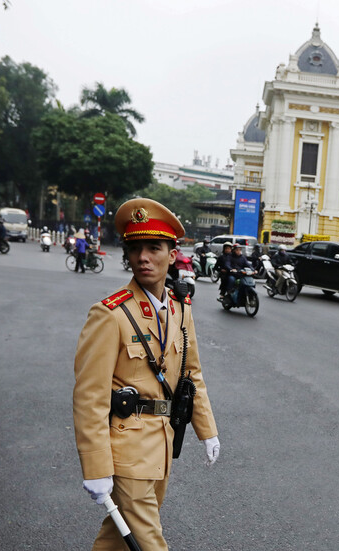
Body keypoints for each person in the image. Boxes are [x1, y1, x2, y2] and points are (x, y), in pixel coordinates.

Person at [73, 198, 220, 551]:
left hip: (161, 446)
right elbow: (89, 398)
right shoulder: (110, 314)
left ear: (172, 254)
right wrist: (96, 466)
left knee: (117, 538)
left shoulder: (178, 308)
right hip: (125, 449)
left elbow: (191, 374)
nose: (143, 257)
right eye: (135, 248)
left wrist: (207, 430)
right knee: (150, 542)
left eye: (154, 248)